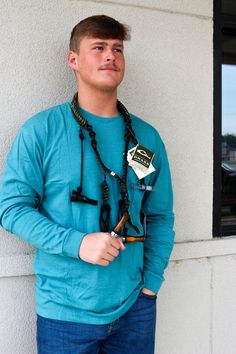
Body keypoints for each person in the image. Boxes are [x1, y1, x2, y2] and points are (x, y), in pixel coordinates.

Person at [0, 15, 175, 354]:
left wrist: (151, 285)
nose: (110, 56)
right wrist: (76, 243)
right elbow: (11, 208)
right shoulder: (42, 131)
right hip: (64, 315)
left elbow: (159, 215)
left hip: (134, 309)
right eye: (98, 47)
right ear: (73, 60)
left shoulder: (145, 138)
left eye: (117, 49)